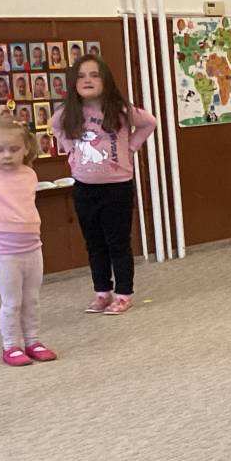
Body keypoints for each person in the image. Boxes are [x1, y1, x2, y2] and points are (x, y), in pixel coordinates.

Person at [51, 55, 156, 314]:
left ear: (105, 80)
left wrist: (131, 147)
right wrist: (70, 150)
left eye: (94, 75)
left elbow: (149, 122)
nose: (87, 80)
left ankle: (123, 294)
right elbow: (55, 126)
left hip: (117, 187)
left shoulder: (120, 109)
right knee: (94, 243)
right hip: (84, 188)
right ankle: (102, 292)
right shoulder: (69, 113)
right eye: (81, 76)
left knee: (117, 243)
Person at [0, 117, 56, 367]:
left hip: (33, 247)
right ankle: (11, 346)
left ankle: (33, 341)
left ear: (26, 148)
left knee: (32, 299)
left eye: (14, 149)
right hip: (4, 252)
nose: (7, 155)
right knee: (12, 301)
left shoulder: (29, 173)